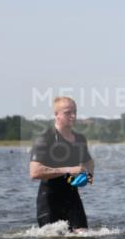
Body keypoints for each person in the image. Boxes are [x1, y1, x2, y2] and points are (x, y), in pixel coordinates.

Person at [29, 96, 94, 231]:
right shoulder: (44, 138)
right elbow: (35, 172)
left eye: (75, 112)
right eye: (68, 112)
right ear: (56, 115)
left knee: (83, 238)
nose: (73, 116)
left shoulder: (80, 139)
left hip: (72, 197)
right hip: (49, 201)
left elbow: (89, 161)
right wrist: (68, 170)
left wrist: (88, 176)